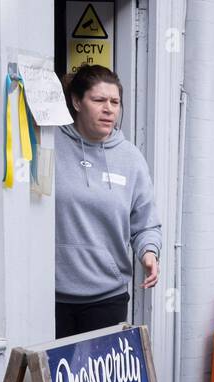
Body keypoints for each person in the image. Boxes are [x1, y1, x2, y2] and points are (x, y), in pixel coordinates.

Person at [55, 65, 161, 338]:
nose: (109, 109)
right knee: (52, 381)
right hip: (50, 297)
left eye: (115, 102)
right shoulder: (49, 145)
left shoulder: (131, 158)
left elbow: (145, 224)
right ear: (77, 102)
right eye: (99, 100)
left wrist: (149, 252)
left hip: (106, 299)